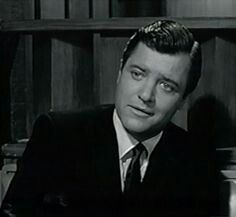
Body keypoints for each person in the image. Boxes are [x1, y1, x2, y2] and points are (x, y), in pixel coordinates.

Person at [1, 19, 210, 217]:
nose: (146, 95)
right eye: (137, 74)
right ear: (120, 72)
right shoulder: (58, 135)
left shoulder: (195, 161)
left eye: (167, 86)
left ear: (183, 99)